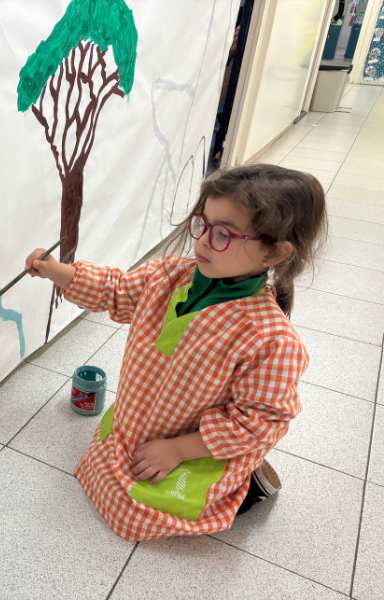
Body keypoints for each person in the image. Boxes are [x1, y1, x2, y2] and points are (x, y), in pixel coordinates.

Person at [25, 164, 327, 541]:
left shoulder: (271, 342)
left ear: (274, 253)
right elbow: (116, 291)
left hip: (191, 443)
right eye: (202, 223)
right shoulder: (169, 274)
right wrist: (57, 271)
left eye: (223, 234)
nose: (202, 241)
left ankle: (248, 486)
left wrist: (180, 450)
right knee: (99, 475)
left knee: (131, 515)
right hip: (143, 422)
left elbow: (261, 422)